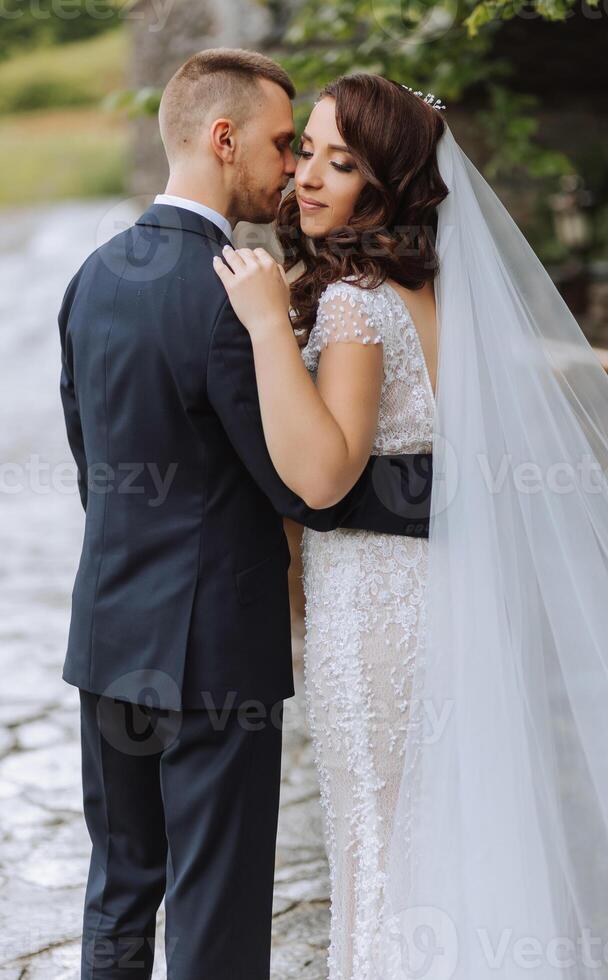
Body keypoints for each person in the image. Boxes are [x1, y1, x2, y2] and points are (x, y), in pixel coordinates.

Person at [214, 72, 608, 980]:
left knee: (378, 846)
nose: (309, 177)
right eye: (307, 151)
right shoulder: (434, 292)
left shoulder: (352, 301)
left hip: (376, 612)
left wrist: (264, 327)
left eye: (343, 162)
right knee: (436, 833)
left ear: (388, 184)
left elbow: (326, 475)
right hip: (445, 599)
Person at [57, 51, 433, 980]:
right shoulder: (233, 294)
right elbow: (308, 484)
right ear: (224, 141)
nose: (291, 171)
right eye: (281, 144)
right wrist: (444, 496)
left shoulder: (94, 278)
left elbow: (90, 467)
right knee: (215, 910)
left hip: (108, 638)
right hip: (215, 657)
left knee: (118, 891)